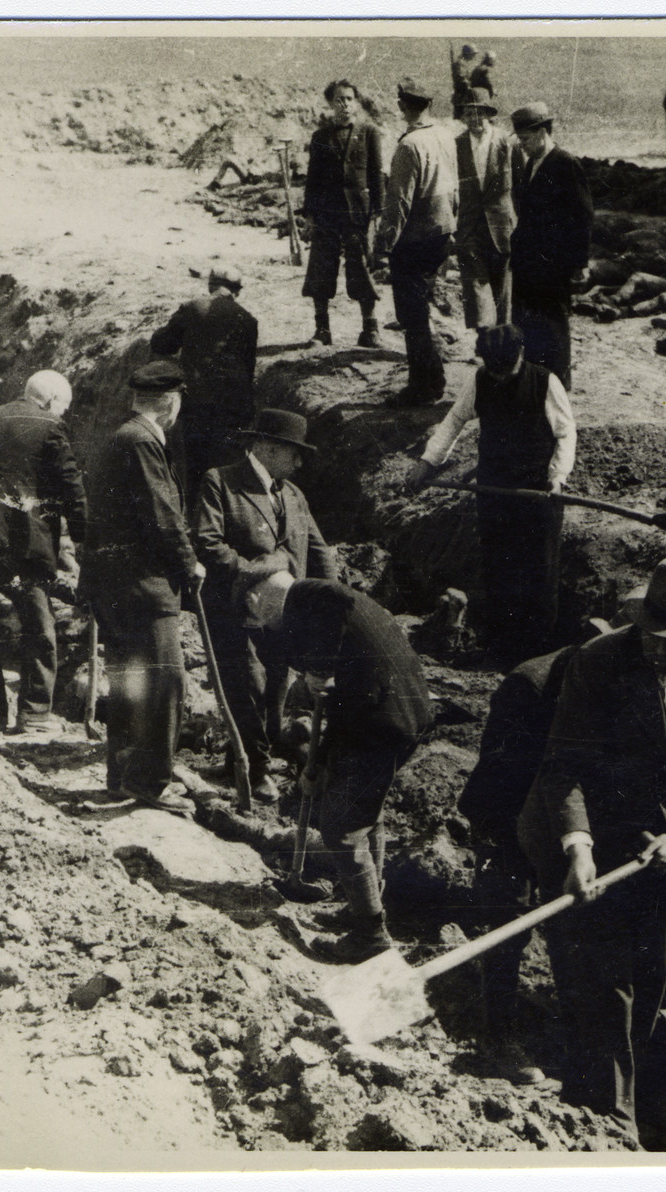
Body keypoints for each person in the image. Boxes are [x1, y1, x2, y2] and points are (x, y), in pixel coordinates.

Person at [518, 557, 666, 1137]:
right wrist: (579, 848)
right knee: (602, 979)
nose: (661, 649)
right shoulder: (598, 663)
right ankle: (611, 1117)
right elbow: (564, 766)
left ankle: (624, 1087)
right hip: (590, 837)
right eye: (653, 636)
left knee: (647, 975)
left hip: (663, 849)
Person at [243, 569, 434, 962]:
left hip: (381, 724)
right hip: (402, 717)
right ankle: (365, 906)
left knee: (340, 829)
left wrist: (320, 670)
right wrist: (322, 761)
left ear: (263, 601)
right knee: (369, 815)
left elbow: (337, 608)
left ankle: (371, 935)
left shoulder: (320, 598)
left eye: (261, 618)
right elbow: (345, 700)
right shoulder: (321, 608)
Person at [456, 615, 613, 1086]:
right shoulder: (530, 685)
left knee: (578, 918)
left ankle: (579, 1033)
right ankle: (498, 1035)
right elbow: (507, 775)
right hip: (509, 808)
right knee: (510, 918)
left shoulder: (616, 676)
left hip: (566, 812)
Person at [191, 409, 340, 803]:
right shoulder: (220, 482)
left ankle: (241, 757)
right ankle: (254, 770)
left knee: (276, 689)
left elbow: (320, 551)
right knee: (248, 687)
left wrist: (336, 598)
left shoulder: (293, 495)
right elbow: (207, 544)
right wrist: (255, 573)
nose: (300, 462)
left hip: (286, 612)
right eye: (295, 452)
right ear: (268, 447)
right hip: (237, 609)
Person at [406, 323, 576, 663]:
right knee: (499, 567)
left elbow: (565, 433)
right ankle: (500, 645)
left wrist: (557, 478)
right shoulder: (481, 378)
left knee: (538, 573)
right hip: (495, 491)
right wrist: (427, 462)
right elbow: (455, 420)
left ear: (520, 355)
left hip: (537, 496)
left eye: (505, 370)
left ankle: (538, 654)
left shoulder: (544, 382)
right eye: (493, 369)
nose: (498, 377)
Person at [81, 359, 205, 816]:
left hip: (115, 584)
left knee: (128, 682)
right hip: (144, 586)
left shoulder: (119, 436)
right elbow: (163, 516)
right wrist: (190, 564)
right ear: (171, 403)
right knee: (163, 683)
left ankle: (122, 776)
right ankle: (151, 782)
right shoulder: (143, 442)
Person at [0, 370, 89, 735]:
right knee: (39, 628)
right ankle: (35, 715)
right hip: (21, 548)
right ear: (52, 402)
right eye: (63, 409)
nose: (63, 416)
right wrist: (88, 539)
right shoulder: (50, 427)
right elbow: (73, 490)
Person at [374, 77, 458, 405]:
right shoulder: (445, 136)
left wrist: (383, 245)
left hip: (414, 240)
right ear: (429, 105)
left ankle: (424, 385)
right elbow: (454, 187)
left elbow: (398, 203)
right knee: (420, 308)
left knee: (412, 315)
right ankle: (430, 378)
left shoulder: (409, 146)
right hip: (441, 234)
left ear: (402, 106)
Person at [149, 265, 259, 506]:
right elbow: (248, 371)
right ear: (236, 291)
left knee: (196, 468)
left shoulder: (193, 308)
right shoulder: (248, 320)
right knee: (228, 470)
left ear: (211, 286)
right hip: (234, 410)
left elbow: (162, 343)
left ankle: (197, 524)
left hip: (197, 404)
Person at [508, 103, 592, 390]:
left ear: (543, 132)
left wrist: (579, 263)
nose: (523, 146)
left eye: (527, 140)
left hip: (554, 264)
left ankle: (557, 387)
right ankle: (536, 382)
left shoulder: (566, 164)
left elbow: (582, 217)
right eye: (520, 141)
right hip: (529, 262)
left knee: (553, 326)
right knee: (530, 325)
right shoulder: (532, 163)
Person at [301, 78, 386, 349]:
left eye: (349, 99)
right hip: (327, 213)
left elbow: (377, 176)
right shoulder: (320, 137)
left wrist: (378, 214)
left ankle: (370, 330)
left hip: (357, 214)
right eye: (339, 99)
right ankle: (322, 330)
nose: (345, 104)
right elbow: (312, 180)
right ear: (330, 103)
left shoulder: (370, 132)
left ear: (356, 102)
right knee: (320, 269)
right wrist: (310, 216)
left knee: (361, 268)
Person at [453, 87, 516, 331]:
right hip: (469, 227)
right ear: (463, 117)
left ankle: (502, 342)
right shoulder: (457, 144)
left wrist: (518, 223)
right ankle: (483, 339)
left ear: (489, 114)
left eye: (479, 113)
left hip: (501, 228)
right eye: (469, 113)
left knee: (502, 290)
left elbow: (518, 188)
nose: (474, 119)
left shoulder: (506, 143)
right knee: (474, 287)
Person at [451, 44, 480, 113]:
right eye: (473, 54)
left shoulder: (463, 63)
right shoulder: (460, 63)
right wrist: (469, 86)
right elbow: (461, 78)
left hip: (465, 93)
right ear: (468, 54)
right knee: (461, 114)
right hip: (462, 94)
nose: (474, 56)